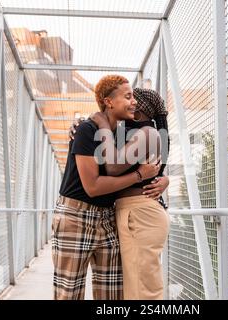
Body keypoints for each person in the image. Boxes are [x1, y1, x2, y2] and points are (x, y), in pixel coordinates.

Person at [52, 75, 161, 300]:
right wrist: (139, 175)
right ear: (108, 102)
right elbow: (93, 187)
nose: (134, 102)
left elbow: (151, 162)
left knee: (112, 297)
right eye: (128, 96)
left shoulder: (121, 137)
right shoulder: (86, 130)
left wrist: (163, 179)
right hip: (76, 217)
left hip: (108, 219)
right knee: (68, 294)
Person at [73, 88, 171, 300]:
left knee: (144, 289)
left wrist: (101, 125)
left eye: (132, 99)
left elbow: (114, 167)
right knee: (135, 286)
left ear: (138, 110)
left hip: (141, 214)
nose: (130, 102)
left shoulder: (146, 133)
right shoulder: (130, 134)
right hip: (134, 212)